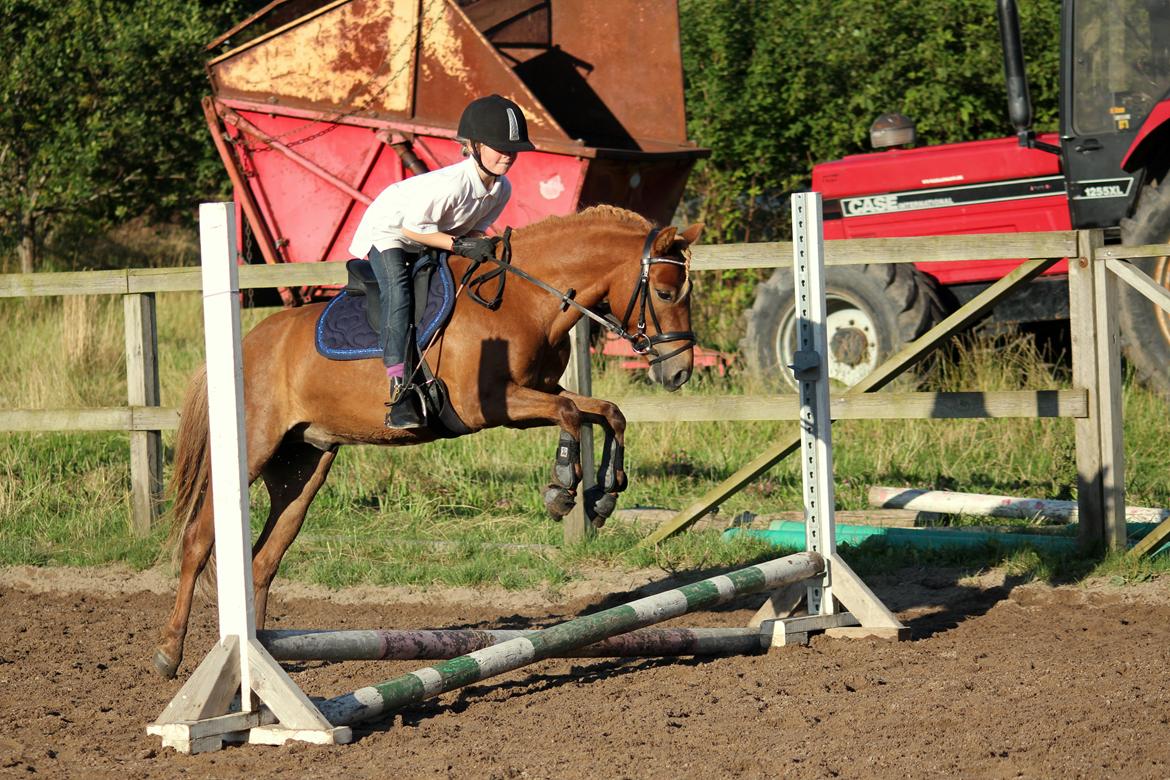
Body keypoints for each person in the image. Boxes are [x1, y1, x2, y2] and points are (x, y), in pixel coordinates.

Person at [348, 94, 534, 429]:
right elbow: (412, 228)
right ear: (475, 146)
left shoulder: (501, 189)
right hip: (391, 233)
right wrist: (461, 244)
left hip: (431, 234)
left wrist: (490, 246)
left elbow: (474, 230)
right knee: (400, 296)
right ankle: (399, 388)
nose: (508, 155)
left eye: (513, 148)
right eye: (498, 147)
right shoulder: (452, 185)